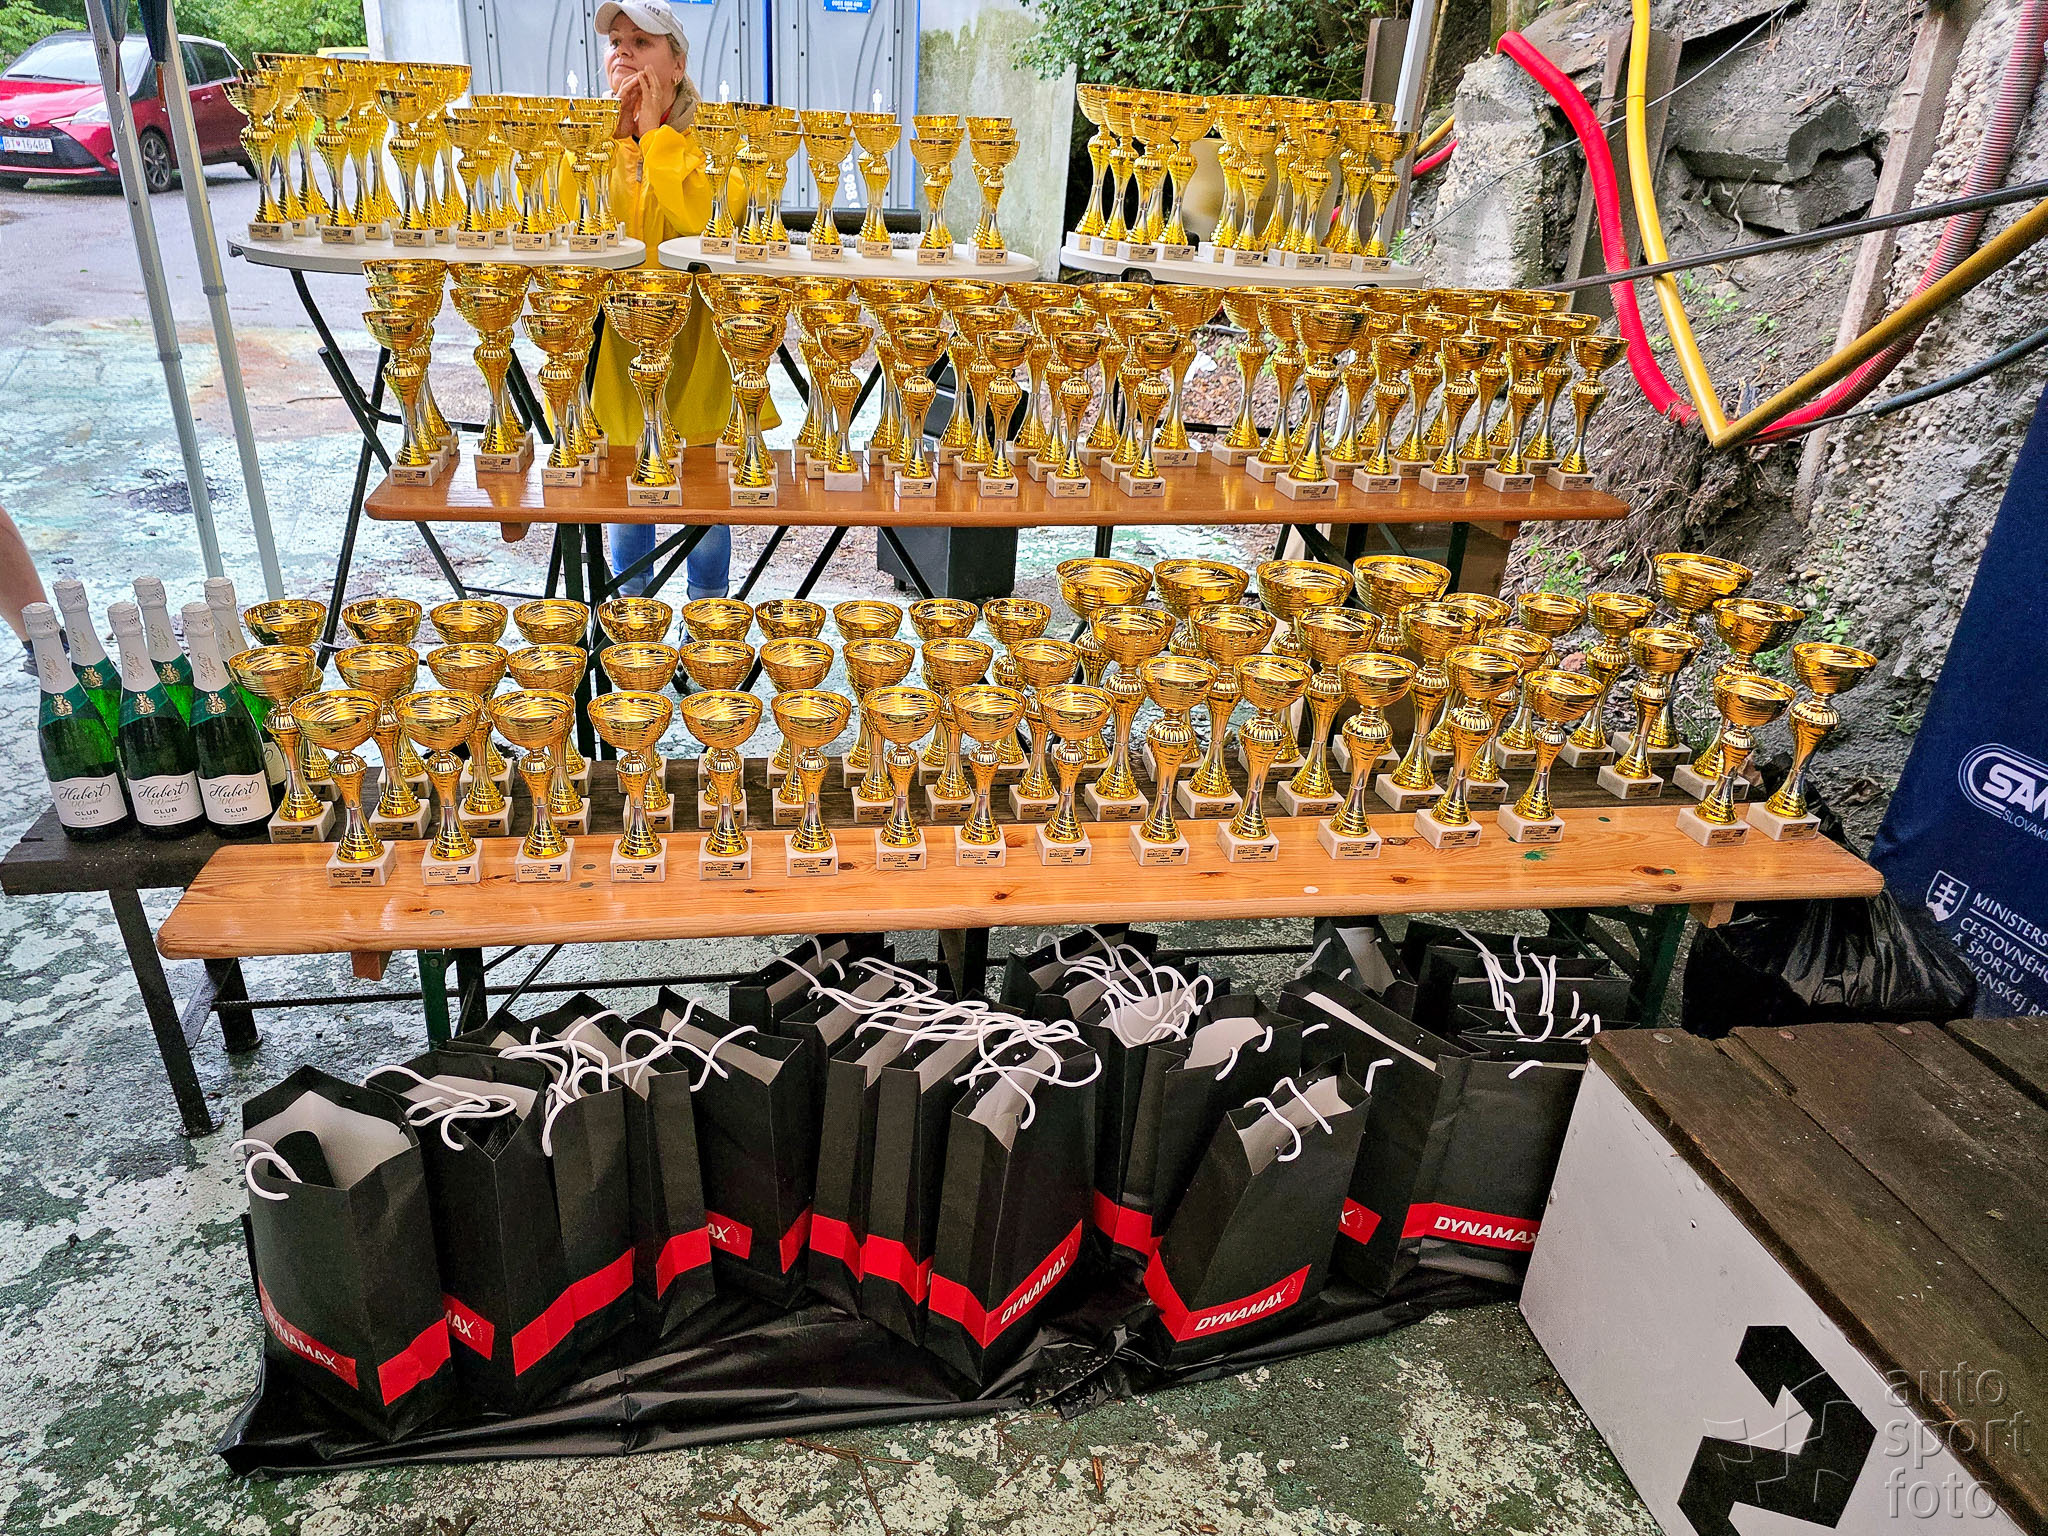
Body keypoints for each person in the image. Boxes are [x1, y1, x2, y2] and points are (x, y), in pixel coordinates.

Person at [591, 0, 754, 600]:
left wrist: (656, 137)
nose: (624, 51)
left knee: (704, 509)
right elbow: (575, 225)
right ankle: (632, 627)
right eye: (617, 41)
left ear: (678, 64)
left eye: (642, 41)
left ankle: (708, 629)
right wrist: (616, 141)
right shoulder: (590, 141)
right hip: (618, 352)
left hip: (698, 352)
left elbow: (707, 222)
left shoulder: (716, 143)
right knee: (627, 495)